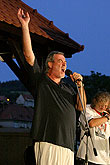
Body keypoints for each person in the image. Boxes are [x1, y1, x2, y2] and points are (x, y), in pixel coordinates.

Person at [17, 8, 86, 165]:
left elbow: (80, 106)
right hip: (49, 141)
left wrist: (80, 85)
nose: (64, 65)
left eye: (65, 62)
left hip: (68, 145)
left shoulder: (69, 87)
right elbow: (29, 55)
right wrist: (25, 26)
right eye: (60, 61)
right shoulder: (42, 81)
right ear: (50, 64)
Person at [76, 91, 110, 165]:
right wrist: (107, 117)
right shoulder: (87, 109)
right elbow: (91, 123)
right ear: (95, 101)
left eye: (105, 106)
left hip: (104, 160)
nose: (103, 107)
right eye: (101, 105)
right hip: (88, 157)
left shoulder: (105, 115)